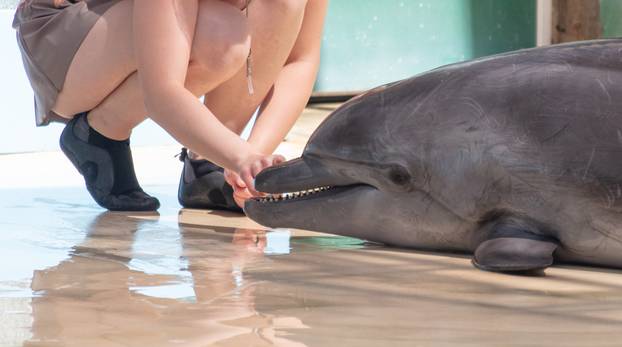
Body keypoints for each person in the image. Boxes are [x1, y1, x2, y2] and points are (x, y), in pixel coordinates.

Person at [13, 0, 328, 211]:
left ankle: (208, 164)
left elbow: (300, 60)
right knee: (221, 35)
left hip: (162, 25)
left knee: (282, 4)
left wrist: (252, 165)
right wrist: (241, 156)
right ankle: (102, 130)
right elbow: (163, 93)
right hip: (67, 39)